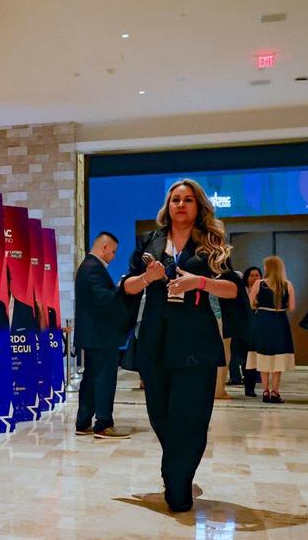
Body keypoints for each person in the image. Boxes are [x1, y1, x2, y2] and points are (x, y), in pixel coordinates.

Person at [120, 179, 241, 512]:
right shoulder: (150, 242)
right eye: (175, 199)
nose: (181, 205)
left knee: (191, 417)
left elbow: (232, 289)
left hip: (196, 340)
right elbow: (128, 287)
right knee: (160, 415)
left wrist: (198, 282)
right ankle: (175, 471)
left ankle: (178, 482)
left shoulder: (211, 244)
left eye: (188, 199)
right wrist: (147, 278)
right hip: (155, 338)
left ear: (198, 206)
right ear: (168, 205)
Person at [73, 232, 130, 439]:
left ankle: (83, 422)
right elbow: (104, 300)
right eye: (113, 251)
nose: (113, 256)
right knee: (104, 379)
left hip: (93, 335)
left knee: (91, 378)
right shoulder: (93, 268)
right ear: (104, 247)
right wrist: (122, 288)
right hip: (100, 336)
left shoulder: (87, 266)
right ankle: (103, 424)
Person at [246, 255, 296, 403]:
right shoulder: (287, 284)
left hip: (262, 320)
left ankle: (265, 390)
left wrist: (259, 305)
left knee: (263, 354)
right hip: (280, 320)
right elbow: (292, 307)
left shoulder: (259, 284)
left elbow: (250, 303)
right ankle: (275, 391)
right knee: (278, 356)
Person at [229, 266, 262, 397]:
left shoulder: (264, 290)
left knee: (254, 354)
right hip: (242, 324)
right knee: (240, 353)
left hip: (258, 323)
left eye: (257, 275)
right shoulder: (241, 290)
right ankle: (238, 378)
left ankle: (253, 380)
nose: (254, 278)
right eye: (251, 275)